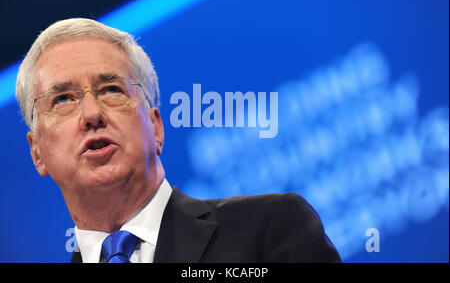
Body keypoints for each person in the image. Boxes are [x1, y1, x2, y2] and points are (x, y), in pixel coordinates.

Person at [16, 18, 341, 263]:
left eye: (111, 90)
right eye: (62, 99)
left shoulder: (268, 230)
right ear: (37, 152)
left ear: (156, 128)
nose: (91, 114)